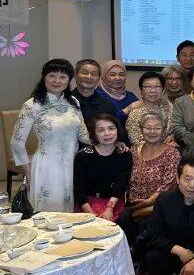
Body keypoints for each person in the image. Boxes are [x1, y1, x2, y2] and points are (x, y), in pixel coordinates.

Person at [11, 59, 90, 211]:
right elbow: (17, 141)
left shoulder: (73, 102)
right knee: (48, 212)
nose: (57, 81)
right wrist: (28, 170)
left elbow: (83, 135)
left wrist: (108, 141)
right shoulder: (32, 105)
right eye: (52, 75)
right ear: (44, 77)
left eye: (63, 77)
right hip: (47, 166)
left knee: (69, 211)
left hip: (73, 164)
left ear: (69, 80)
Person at [73, 113, 132, 220]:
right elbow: (78, 189)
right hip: (87, 206)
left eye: (111, 128)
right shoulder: (83, 155)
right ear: (94, 134)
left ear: (117, 130)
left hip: (114, 204)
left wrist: (109, 208)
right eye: (101, 130)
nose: (107, 133)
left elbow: (121, 184)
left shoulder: (124, 154)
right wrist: (90, 213)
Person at [125, 111, 181, 223]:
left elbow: (168, 185)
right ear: (141, 129)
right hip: (131, 206)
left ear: (164, 130)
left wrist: (148, 202)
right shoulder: (134, 150)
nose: (152, 132)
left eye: (157, 128)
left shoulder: (172, 154)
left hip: (157, 209)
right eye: (148, 128)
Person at [71, 59, 118, 135]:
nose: (89, 77)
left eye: (93, 74)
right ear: (75, 75)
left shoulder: (107, 106)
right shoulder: (65, 101)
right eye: (85, 73)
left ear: (99, 78)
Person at [98, 59, 139, 128]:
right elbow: (104, 122)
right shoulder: (97, 95)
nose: (117, 78)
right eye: (112, 75)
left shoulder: (130, 96)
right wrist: (127, 109)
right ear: (104, 76)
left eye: (121, 75)